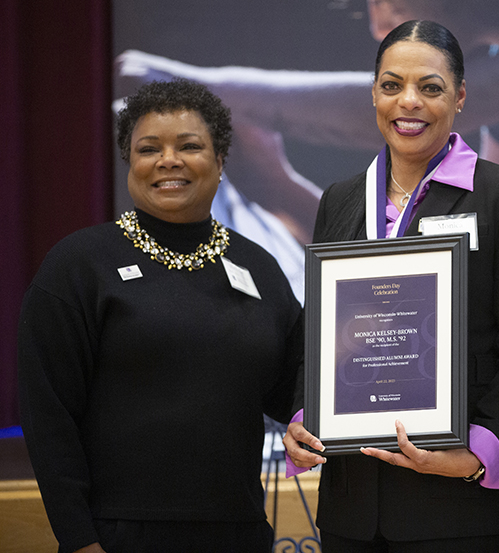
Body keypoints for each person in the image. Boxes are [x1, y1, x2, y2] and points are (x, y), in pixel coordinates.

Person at [114, 0, 499, 279]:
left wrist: (186, 87)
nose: (379, 27)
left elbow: (392, 106)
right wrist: (278, 188)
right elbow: (448, 271)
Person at [282, 20, 499, 552]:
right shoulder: (339, 199)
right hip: (353, 510)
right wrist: (301, 418)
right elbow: (320, 338)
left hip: (460, 508)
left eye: (430, 87)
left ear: (460, 97)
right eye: (391, 85)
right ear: (374, 93)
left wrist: (477, 453)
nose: (409, 102)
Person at [17, 79, 304, 553]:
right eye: (149, 148)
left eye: (189, 145)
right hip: (119, 534)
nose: (168, 160)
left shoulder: (259, 266)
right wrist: (79, 538)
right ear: (130, 161)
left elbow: (293, 385)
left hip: (240, 529)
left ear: (219, 159)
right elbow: (48, 414)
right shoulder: (80, 264)